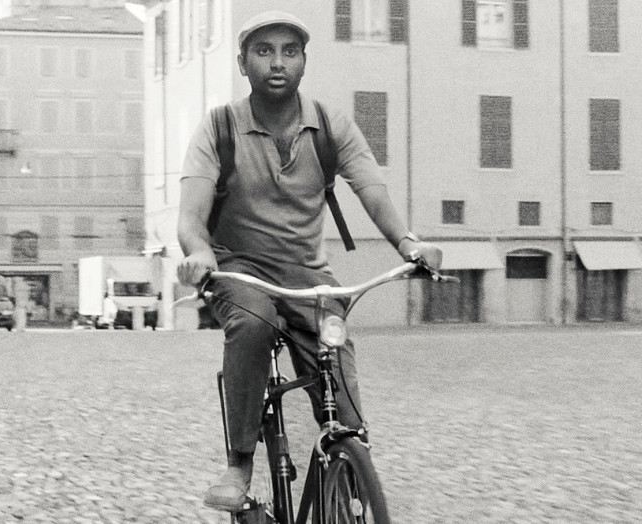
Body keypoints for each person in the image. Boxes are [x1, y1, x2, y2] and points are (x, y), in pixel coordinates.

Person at [176, 11, 443, 512]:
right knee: (254, 325)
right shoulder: (219, 127)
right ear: (243, 63)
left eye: (289, 51)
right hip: (237, 269)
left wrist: (409, 244)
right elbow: (191, 217)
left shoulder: (330, 124)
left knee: (337, 361)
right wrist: (200, 253)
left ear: (303, 61)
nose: (277, 63)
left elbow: (371, 188)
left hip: (307, 275)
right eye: (264, 51)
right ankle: (239, 464)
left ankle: (348, 459)